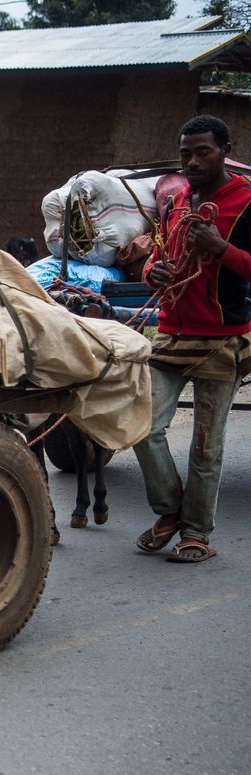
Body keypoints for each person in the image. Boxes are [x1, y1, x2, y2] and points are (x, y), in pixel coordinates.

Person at [133, 115, 251, 564]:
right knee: (143, 427)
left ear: (224, 150)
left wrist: (223, 249)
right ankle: (169, 513)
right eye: (186, 153)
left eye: (203, 151)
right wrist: (150, 271)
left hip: (222, 342)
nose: (193, 160)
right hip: (170, 336)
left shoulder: (246, 201)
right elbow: (160, 254)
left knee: (206, 446)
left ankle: (196, 532)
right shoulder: (175, 202)